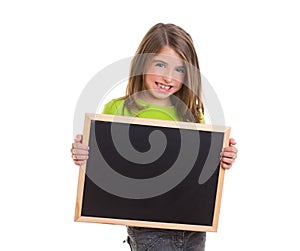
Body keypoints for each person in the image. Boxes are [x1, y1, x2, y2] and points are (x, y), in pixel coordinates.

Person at [71, 23, 238, 251]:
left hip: (192, 227)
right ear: (143, 64)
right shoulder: (118, 109)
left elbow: (202, 169)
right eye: (160, 65)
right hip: (148, 230)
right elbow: (100, 163)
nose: (169, 77)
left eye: (179, 69)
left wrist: (224, 157)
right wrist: (83, 154)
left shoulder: (192, 115)